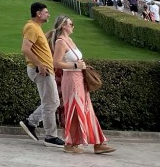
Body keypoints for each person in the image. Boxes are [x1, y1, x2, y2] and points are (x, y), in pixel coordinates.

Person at [47, 15, 115, 154]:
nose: (73, 27)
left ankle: (98, 142)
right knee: (75, 110)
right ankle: (71, 143)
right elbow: (56, 63)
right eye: (71, 24)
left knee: (87, 109)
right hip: (71, 79)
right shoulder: (61, 42)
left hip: (79, 78)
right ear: (63, 25)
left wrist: (80, 66)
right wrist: (75, 65)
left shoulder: (70, 40)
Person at [18, 2, 64, 148]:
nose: (48, 14)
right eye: (46, 12)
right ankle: (50, 136)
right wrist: (39, 64)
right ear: (39, 14)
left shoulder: (36, 28)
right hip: (41, 71)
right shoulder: (32, 27)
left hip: (44, 70)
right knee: (51, 102)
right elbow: (25, 48)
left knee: (52, 102)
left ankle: (31, 122)